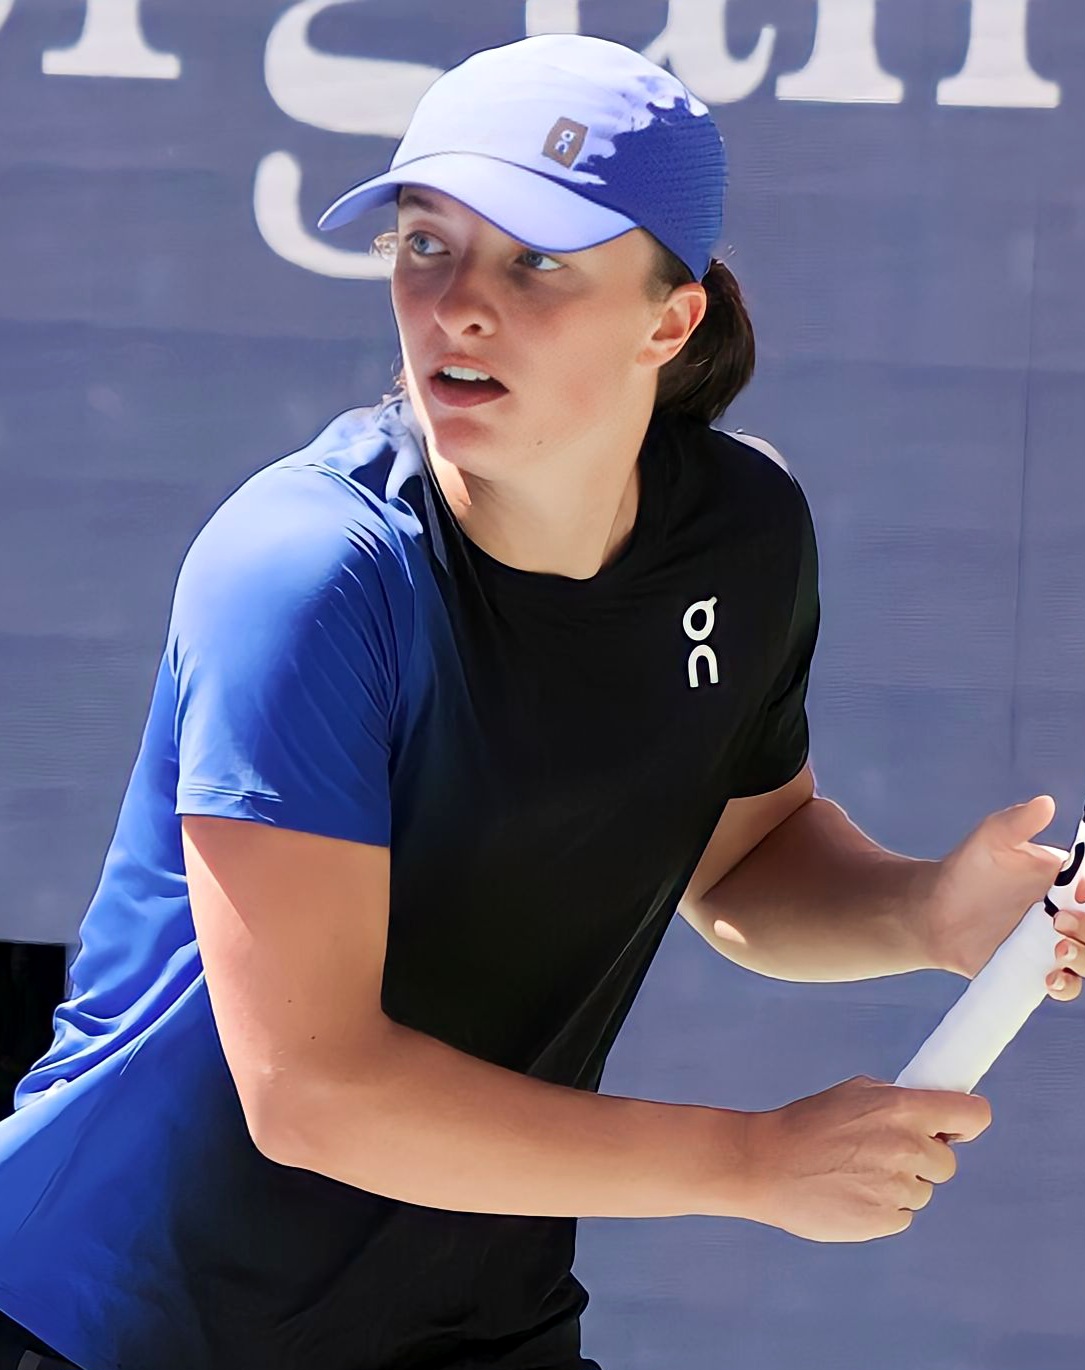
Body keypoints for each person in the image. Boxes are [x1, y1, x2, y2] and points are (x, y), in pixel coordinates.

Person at [5, 30, 1068, 1370]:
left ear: (669, 321)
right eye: (425, 243)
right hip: (122, 1322)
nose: (457, 304)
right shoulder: (305, 571)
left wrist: (926, 911)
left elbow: (741, 859)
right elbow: (312, 1092)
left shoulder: (740, 537)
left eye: (537, 261)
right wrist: (748, 1160)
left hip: (476, 1315)